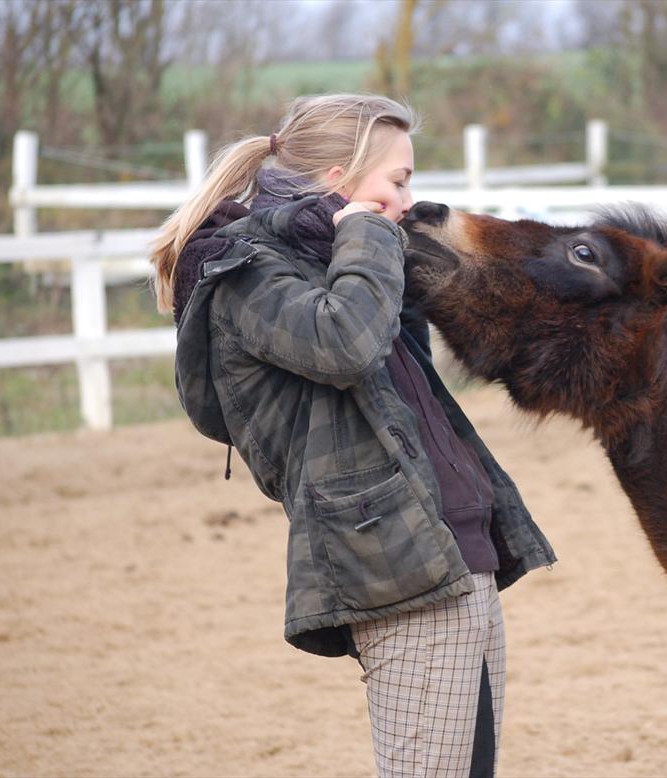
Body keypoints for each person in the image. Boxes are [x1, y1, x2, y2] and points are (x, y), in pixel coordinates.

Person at [149, 93, 556, 778]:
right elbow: (343, 345)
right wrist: (365, 237)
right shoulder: (249, 271)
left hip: (457, 551)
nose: (406, 199)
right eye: (397, 181)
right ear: (339, 178)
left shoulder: (337, 259)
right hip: (398, 568)